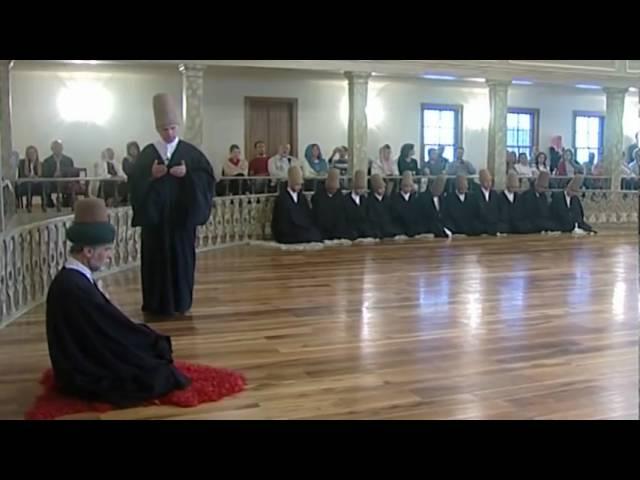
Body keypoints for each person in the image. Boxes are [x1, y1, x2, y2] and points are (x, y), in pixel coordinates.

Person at [46, 198, 190, 407]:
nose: (109, 256)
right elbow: (108, 334)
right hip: (78, 373)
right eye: (106, 250)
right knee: (158, 373)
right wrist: (148, 339)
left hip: (78, 361)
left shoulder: (72, 279)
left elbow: (105, 326)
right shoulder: (73, 287)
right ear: (88, 251)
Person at [129, 93, 215, 317]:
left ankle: (181, 302)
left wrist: (188, 175)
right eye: (165, 129)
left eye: (172, 128)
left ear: (178, 127)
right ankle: (155, 303)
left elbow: (206, 179)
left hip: (180, 222)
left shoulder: (190, 153)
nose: (169, 133)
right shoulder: (149, 154)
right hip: (156, 224)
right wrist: (150, 175)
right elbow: (134, 183)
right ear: (158, 129)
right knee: (154, 262)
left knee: (182, 261)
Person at [271, 165, 322, 244]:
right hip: (288, 230)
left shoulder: (301, 197)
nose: (299, 187)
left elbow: (307, 215)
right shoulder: (282, 198)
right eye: (297, 185)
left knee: (316, 234)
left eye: (300, 185)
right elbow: (280, 222)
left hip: (301, 228)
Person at [311, 168, 349, 240]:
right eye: (332, 189)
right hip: (321, 230)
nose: (334, 191)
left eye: (335, 189)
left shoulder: (340, 196)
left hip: (337, 230)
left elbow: (342, 216)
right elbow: (316, 216)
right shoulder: (318, 196)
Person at [41, 140, 76, 208]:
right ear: (52, 149)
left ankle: (66, 201)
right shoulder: (47, 161)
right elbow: (45, 173)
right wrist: (53, 175)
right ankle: (49, 203)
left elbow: (72, 172)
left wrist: (62, 174)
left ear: (62, 148)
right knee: (45, 184)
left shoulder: (68, 160)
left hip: (65, 181)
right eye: (55, 147)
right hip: (52, 181)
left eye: (59, 147)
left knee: (70, 184)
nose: (58, 149)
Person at [367, 173, 402, 239]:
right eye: (380, 188)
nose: (382, 190)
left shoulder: (387, 200)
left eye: (383, 188)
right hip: (377, 231)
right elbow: (371, 218)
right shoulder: (370, 201)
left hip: (389, 230)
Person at [391, 171, 424, 237]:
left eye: (409, 186)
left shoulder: (415, 198)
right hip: (400, 230)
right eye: (405, 186)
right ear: (401, 186)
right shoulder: (395, 198)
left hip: (414, 231)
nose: (407, 188)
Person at [344, 170, 375, 239]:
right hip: (350, 232)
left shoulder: (365, 200)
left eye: (362, 188)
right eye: (359, 188)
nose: (361, 191)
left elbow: (368, 217)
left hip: (364, 232)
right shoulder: (346, 199)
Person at [17, 145, 42, 210]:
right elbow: (22, 175)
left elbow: (41, 175)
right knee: (28, 185)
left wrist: (36, 178)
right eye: (29, 153)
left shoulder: (40, 164)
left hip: (37, 184)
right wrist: (30, 177)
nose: (31, 155)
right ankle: (28, 204)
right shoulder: (22, 163)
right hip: (25, 184)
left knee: (43, 185)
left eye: (33, 153)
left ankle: (45, 204)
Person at [476, 169, 500, 235]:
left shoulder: (495, 194)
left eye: (490, 180)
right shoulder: (475, 195)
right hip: (480, 229)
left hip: (493, 228)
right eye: (486, 180)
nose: (489, 183)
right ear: (480, 181)